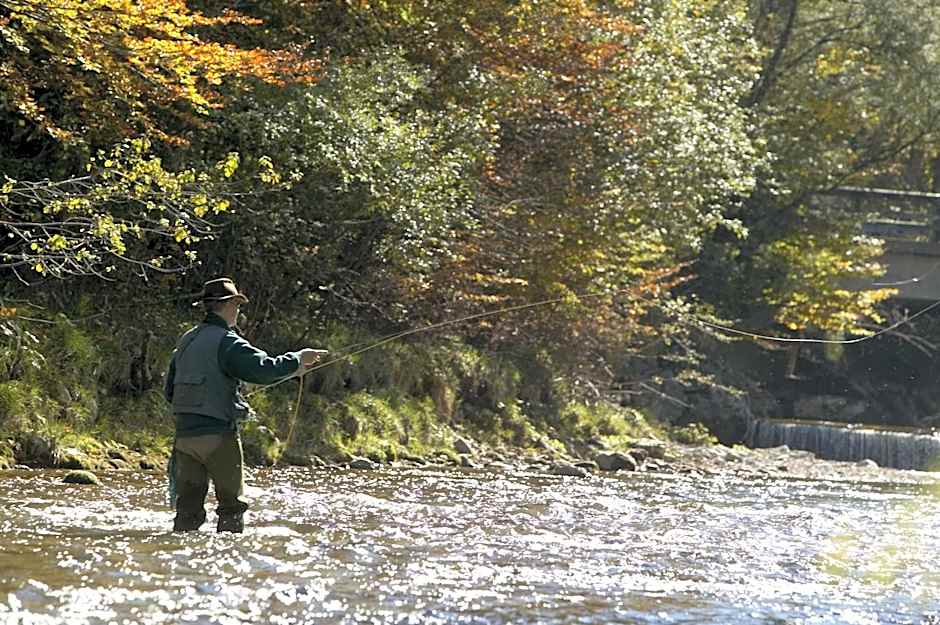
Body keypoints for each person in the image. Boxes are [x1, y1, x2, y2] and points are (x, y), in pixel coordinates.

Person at [164, 277, 323, 533]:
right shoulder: (228, 341)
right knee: (231, 509)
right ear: (229, 305)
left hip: (184, 440)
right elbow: (263, 369)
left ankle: (177, 559)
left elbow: (169, 391)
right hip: (218, 438)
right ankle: (226, 564)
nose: (238, 311)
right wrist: (297, 360)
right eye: (237, 305)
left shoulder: (187, 341)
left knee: (187, 512)